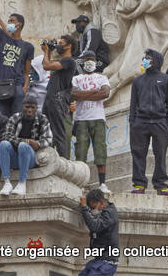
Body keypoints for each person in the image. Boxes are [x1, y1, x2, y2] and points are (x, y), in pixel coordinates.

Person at [129, 49, 168, 196]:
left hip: (160, 122)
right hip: (140, 122)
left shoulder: (167, 79)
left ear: (157, 61)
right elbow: (133, 103)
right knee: (138, 154)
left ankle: (161, 185)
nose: (145, 61)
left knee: (160, 154)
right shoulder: (137, 81)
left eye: (148, 58)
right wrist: (132, 122)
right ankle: (139, 184)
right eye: (144, 58)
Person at [72, 52, 112, 195]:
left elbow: (105, 94)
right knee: (80, 152)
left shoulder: (102, 77)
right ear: (82, 62)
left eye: (92, 59)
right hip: (81, 119)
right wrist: (94, 92)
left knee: (100, 151)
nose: (90, 62)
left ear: (96, 61)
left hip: (98, 118)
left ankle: (102, 183)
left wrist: (83, 95)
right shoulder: (76, 78)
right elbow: (74, 95)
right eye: (87, 59)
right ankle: (81, 184)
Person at [0, 96, 52, 196]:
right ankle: (7, 183)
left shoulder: (42, 119)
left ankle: (22, 183)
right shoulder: (15, 117)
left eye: (32, 107)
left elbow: (48, 139)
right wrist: (26, 141)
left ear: (36, 108)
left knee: (23, 146)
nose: (29, 110)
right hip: (15, 158)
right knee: (3, 144)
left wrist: (37, 144)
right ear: (22, 107)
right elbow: (6, 136)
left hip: (31, 159)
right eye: (27, 107)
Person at [41, 35, 77, 158]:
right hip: (51, 99)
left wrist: (47, 52)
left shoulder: (69, 61)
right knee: (48, 133)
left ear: (69, 46)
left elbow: (46, 66)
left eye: (61, 43)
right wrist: (48, 51)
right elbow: (47, 64)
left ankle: (64, 163)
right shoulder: (62, 62)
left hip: (57, 99)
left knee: (59, 134)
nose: (58, 46)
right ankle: (51, 160)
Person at [78, 188, 119, 276]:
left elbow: (95, 226)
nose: (92, 210)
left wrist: (84, 208)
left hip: (107, 263)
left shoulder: (110, 214)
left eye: (93, 208)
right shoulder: (104, 210)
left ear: (102, 202)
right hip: (99, 260)